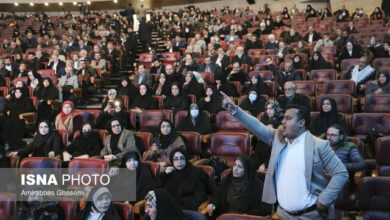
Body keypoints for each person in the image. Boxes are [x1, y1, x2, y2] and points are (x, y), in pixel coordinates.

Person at [220, 93, 348, 219]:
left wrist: (324, 200)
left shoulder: (319, 145)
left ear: (301, 123)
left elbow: (341, 173)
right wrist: (235, 110)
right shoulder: (278, 137)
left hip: (310, 215)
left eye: (288, 118)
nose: (283, 121)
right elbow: (257, 127)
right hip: (282, 214)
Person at [206, 155, 273, 218]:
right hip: (225, 216)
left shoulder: (257, 185)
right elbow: (216, 197)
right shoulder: (227, 180)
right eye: (235, 165)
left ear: (247, 170)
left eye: (240, 167)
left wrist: (247, 216)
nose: (235, 169)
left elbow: (266, 208)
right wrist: (213, 205)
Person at [155, 148, 212, 216]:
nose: (179, 162)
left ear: (186, 159)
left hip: (188, 211)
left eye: (182, 158)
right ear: (172, 161)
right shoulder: (169, 173)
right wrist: (164, 174)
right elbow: (157, 191)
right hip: (170, 210)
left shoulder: (197, 173)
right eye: (176, 159)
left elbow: (199, 197)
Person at [252, 100, 283, 171]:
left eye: (271, 108)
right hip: (263, 142)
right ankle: (259, 165)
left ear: (276, 109)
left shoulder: (282, 119)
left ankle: (265, 165)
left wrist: (274, 130)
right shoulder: (264, 118)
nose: (268, 111)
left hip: (276, 144)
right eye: (267, 109)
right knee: (259, 143)